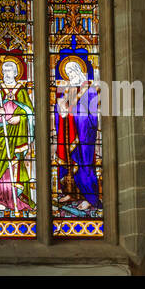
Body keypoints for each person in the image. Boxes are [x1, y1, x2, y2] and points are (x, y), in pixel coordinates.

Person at [0, 55, 35, 214]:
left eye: (9, 70)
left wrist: (20, 116)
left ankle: (16, 200)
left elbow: (30, 112)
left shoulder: (21, 89)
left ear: (16, 72)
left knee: (15, 165)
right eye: (4, 70)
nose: (6, 73)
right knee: (1, 167)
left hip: (17, 134)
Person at [54, 55, 101, 213]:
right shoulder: (68, 89)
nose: (70, 75)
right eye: (68, 73)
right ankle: (71, 193)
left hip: (83, 135)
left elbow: (92, 114)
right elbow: (61, 109)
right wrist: (60, 108)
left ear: (79, 71)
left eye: (72, 71)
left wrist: (72, 112)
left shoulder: (90, 89)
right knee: (69, 164)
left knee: (84, 165)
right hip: (69, 133)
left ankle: (89, 198)